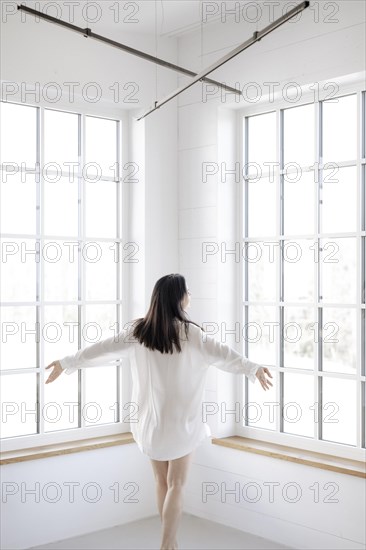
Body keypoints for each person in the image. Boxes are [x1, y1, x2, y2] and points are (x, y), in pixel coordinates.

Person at [45, 273, 273, 550]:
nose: (190, 295)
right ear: (179, 298)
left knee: (160, 481)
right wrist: (253, 368)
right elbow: (226, 355)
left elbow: (100, 350)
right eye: (187, 291)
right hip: (182, 426)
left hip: (150, 426)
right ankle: (167, 545)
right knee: (177, 484)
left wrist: (66, 362)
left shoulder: (138, 332)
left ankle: (170, 543)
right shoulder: (192, 334)